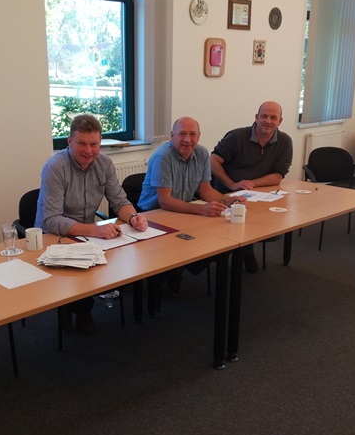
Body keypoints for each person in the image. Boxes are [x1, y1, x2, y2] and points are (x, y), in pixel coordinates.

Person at [36, 113, 148, 333]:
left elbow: (120, 202)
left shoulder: (104, 164)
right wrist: (95, 231)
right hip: (54, 237)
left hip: (85, 234)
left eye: (94, 144)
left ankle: (81, 305)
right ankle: (77, 307)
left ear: (100, 142)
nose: (88, 150)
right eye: (82, 143)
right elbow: (51, 220)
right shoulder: (55, 167)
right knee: (78, 271)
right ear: (70, 141)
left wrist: (133, 217)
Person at [137, 116, 246, 295]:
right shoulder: (162, 157)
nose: (187, 139)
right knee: (188, 241)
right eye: (182, 134)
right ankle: (168, 273)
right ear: (172, 136)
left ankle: (178, 269)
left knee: (216, 240)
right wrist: (202, 209)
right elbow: (165, 200)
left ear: (199, 136)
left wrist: (226, 200)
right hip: (154, 215)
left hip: (183, 211)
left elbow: (205, 190)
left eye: (192, 134)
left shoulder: (202, 154)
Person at [210, 101, 293, 273]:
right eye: (264, 116)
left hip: (256, 193)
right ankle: (239, 252)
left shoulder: (285, 141)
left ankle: (246, 249)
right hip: (225, 192)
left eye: (273, 117)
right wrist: (233, 184)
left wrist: (251, 183)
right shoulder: (236, 137)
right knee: (237, 220)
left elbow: (278, 175)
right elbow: (212, 161)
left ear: (280, 121)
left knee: (262, 218)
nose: (268, 121)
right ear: (256, 117)